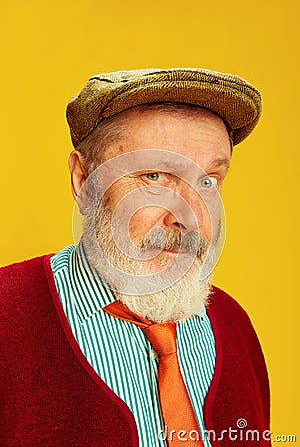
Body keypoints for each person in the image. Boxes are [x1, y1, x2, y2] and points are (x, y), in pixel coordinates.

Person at [0, 68, 270, 446]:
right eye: (155, 177)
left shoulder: (235, 326)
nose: (189, 216)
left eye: (208, 181)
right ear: (83, 180)